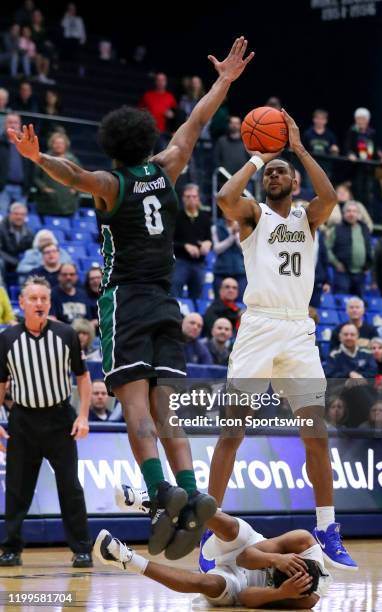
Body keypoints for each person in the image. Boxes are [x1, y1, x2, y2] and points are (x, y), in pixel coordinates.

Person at [7, 37, 255, 560]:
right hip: (169, 303)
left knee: (136, 406)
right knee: (170, 412)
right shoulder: (168, 167)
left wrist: (37, 157)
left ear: (113, 145)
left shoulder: (112, 184)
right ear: (145, 139)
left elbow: (73, 175)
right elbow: (194, 125)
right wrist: (224, 81)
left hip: (127, 304)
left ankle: (162, 491)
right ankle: (191, 490)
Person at [207, 108, 357, 569]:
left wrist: (298, 149)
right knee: (233, 430)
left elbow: (329, 195)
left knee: (316, 432)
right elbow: (224, 198)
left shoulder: (308, 218)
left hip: (298, 330)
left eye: (281, 172)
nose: (274, 174)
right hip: (259, 326)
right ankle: (208, 535)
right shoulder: (253, 216)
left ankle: (327, 528)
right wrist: (257, 156)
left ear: (293, 183)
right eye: (269, 172)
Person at [0, 276, 93, 568]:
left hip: (59, 419)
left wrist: (83, 415)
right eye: (34, 298)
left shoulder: (66, 334)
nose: (39, 303)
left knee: (70, 486)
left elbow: (83, 376)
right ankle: (11, 549)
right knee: (17, 488)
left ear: (50, 303)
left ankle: (81, 549)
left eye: (44, 298)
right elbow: (1, 383)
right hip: (23, 419)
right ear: (22, 303)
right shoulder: (7, 339)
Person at [94, 499, 331, 609]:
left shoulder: (305, 597)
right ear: (298, 558)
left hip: (242, 582)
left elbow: (247, 596)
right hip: (252, 550)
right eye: (286, 569)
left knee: (207, 583)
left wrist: (280, 592)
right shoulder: (303, 541)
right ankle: (155, 504)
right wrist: (276, 559)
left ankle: (125, 559)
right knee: (231, 527)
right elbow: (244, 557)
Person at [171, 183, 212, 300]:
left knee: (198, 298)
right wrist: (185, 246)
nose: (191, 200)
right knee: (176, 295)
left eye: (194, 196)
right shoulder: (176, 217)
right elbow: (169, 242)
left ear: (198, 198)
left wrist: (208, 243)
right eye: (188, 196)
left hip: (199, 263)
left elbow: (209, 239)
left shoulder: (205, 218)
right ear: (183, 199)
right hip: (180, 262)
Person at [325, 201, 372, 297]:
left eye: (354, 211)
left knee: (359, 303)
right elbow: (327, 249)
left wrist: (368, 264)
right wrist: (336, 263)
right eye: (349, 211)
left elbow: (369, 248)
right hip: (342, 273)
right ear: (344, 213)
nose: (351, 214)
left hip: (360, 273)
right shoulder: (337, 229)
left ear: (358, 214)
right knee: (342, 300)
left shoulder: (364, 228)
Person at [34, 131, 80, 216]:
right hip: (48, 201)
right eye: (56, 143)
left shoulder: (73, 160)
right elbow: (35, 177)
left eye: (61, 143)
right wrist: (44, 188)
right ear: (51, 144)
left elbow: (80, 178)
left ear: (66, 145)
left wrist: (75, 189)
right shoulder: (43, 158)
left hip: (68, 202)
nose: (58, 145)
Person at [0, 113, 33, 213]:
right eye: (10, 122)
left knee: (20, 218)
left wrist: (28, 186)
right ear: (5, 124)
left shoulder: (26, 144)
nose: (13, 125)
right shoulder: (0, 143)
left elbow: (32, 167)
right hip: (2, 188)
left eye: (15, 122)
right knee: (1, 218)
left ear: (20, 125)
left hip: (21, 189)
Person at [211, 215, 246, 300]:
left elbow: (245, 248)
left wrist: (236, 234)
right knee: (219, 301)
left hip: (240, 271)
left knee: (241, 302)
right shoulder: (215, 227)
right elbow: (216, 249)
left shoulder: (243, 227)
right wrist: (231, 237)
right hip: (221, 270)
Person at [0, 202, 34, 278]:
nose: (19, 217)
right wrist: (15, 262)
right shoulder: (1, 228)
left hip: (19, 261)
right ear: (10, 214)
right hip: (5, 260)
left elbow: (31, 250)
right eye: (16, 214)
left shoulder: (29, 232)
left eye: (22, 214)